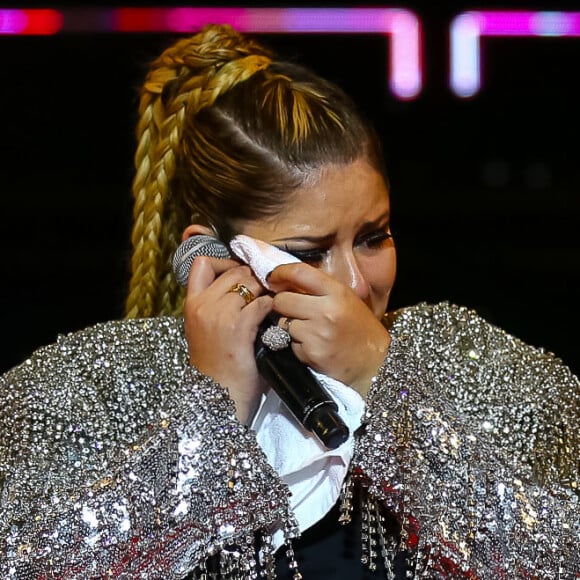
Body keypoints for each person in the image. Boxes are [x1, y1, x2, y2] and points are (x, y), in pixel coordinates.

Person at [0, 24, 578, 579]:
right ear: (210, 253)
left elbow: (558, 555)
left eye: (374, 237)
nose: (353, 284)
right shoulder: (88, 385)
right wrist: (208, 417)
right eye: (307, 251)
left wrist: (388, 385)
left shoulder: (471, 359)